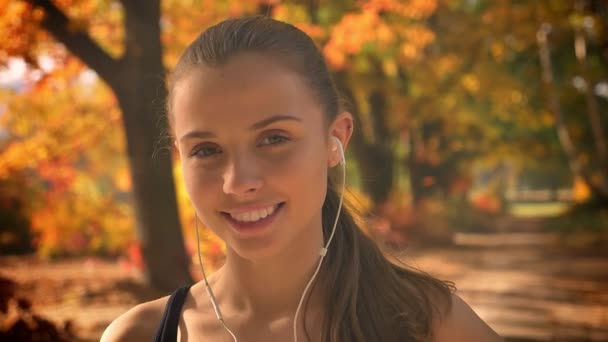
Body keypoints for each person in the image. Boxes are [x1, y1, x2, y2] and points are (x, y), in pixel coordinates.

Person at [101, 15, 503, 342]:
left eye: (274, 139)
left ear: (336, 139)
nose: (238, 182)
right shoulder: (139, 335)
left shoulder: (427, 323)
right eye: (206, 150)